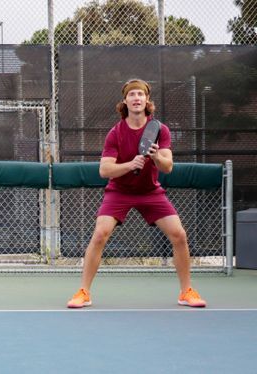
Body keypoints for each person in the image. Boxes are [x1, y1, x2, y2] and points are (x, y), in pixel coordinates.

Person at [66, 79, 206, 309]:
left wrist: (155, 156)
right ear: (125, 101)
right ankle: (84, 292)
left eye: (140, 94)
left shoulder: (160, 130)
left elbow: (167, 166)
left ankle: (186, 291)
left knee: (179, 235)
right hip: (119, 192)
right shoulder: (115, 133)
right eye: (131, 94)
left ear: (147, 101)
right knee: (100, 233)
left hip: (151, 193)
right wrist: (130, 165)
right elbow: (104, 170)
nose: (136, 98)